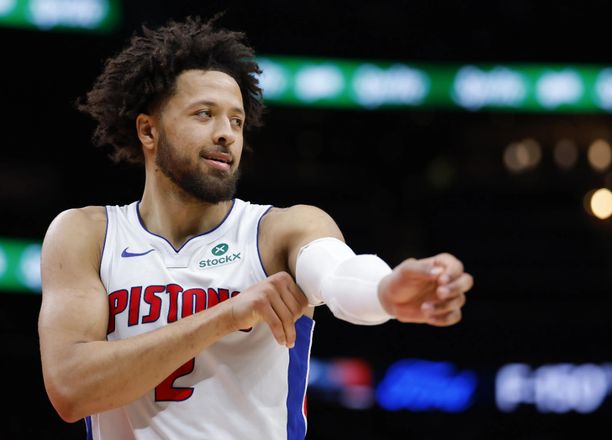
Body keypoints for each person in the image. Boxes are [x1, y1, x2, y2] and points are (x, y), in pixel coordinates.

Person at [37, 15, 474, 440]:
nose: (226, 133)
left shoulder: (279, 231)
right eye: (204, 114)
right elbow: (71, 390)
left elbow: (339, 275)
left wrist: (384, 292)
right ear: (148, 131)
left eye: (236, 120)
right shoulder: (87, 235)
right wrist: (226, 316)